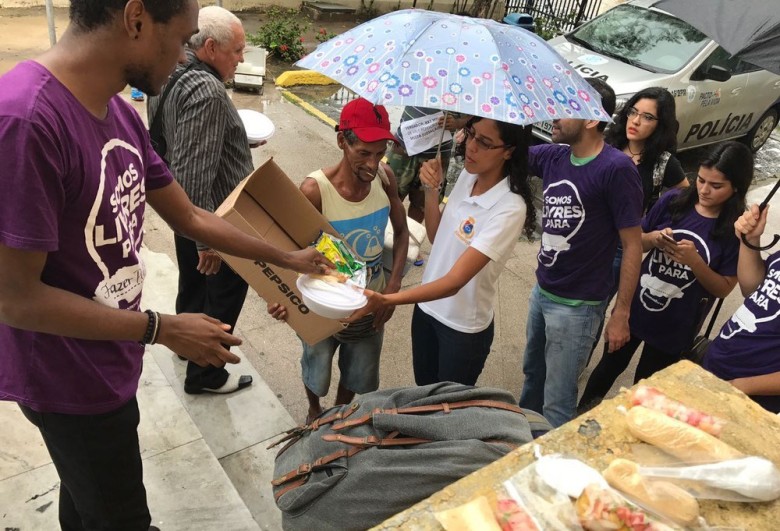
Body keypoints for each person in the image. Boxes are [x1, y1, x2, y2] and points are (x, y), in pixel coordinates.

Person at [0, 1, 331, 529]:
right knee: (122, 515)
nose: (183, 57)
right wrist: (161, 328)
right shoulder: (26, 119)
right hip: (66, 378)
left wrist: (283, 255)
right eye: (181, 39)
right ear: (136, 20)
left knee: (86, 497)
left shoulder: (119, 114)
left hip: (108, 360)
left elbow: (192, 215)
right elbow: (16, 298)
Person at [350, 116, 535, 387]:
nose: (470, 147)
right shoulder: (467, 176)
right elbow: (437, 237)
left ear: (509, 150)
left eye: (484, 142)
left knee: (446, 409)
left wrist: (387, 299)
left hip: (461, 328)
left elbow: (454, 283)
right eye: (470, 134)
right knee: (423, 394)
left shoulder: (510, 208)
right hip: (426, 310)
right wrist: (431, 190)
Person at [268, 98, 409, 423]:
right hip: (322, 300)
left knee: (358, 371)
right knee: (316, 368)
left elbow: (402, 234)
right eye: (363, 153)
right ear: (342, 141)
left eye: (379, 154)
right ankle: (315, 410)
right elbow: (287, 254)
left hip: (369, 301)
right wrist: (279, 298)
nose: (373, 165)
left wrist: (393, 289)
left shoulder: (385, 179)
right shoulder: (314, 191)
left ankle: (340, 412)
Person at [580, 141, 750, 408]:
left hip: (676, 328)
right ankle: (582, 415)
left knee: (646, 393)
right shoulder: (673, 201)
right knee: (607, 369)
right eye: (701, 180)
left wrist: (695, 262)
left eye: (716, 186)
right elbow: (635, 242)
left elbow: (723, 289)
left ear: (736, 187)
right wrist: (655, 238)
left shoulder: (734, 230)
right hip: (635, 310)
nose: (704, 190)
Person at [517, 78, 644, 428]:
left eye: (565, 107)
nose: (554, 116)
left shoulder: (616, 169)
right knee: (532, 380)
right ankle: (518, 447)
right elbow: (509, 153)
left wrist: (621, 313)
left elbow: (633, 244)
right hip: (542, 293)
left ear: (591, 119)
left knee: (557, 401)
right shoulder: (555, 156)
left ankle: (552, 470)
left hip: (578, 308)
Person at [148, 6, 255, 395]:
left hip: (183, 210)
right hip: (212, 219)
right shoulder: (208, 91)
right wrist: (207, 241)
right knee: (223, 295)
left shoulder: (172, 71)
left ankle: (187, 345)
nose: (241, 58)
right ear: (211, 46)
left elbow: (175, 139)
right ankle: (206, 374)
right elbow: (195, 174)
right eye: (238, 50)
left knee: (192, 287)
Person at [703, 200, 780, 414]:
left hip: (747, 400)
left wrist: (741, 386)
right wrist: (749, 241)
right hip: (717, 365)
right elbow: (751, 288)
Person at [387, 106, 470, 224]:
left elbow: (475, 114)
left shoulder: (467, 89)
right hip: (404, 145)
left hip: (437, 155)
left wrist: (458, 122)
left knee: (421, 205)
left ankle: (409, 237)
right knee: (388, 196)